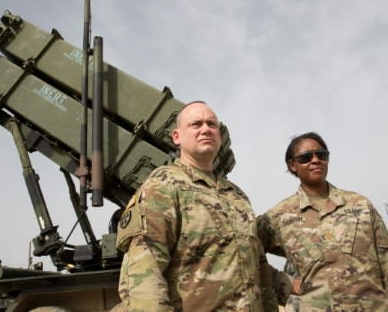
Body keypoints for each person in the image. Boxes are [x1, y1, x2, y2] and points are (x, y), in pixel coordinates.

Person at [112, 101, 277, 311]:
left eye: (212, 124)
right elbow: (144, 273)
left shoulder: (237, 196)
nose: (206, 129)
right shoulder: (162, 187)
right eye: (196, 124)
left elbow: (258, 268)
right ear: (177, 137)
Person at [257, 132, 388, 311]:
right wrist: (284, 285)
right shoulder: (278, 217)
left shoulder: (361, 205)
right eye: (306, 157)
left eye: (322, 155)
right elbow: (245, 253)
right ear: (292, 165)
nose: (316, 160)